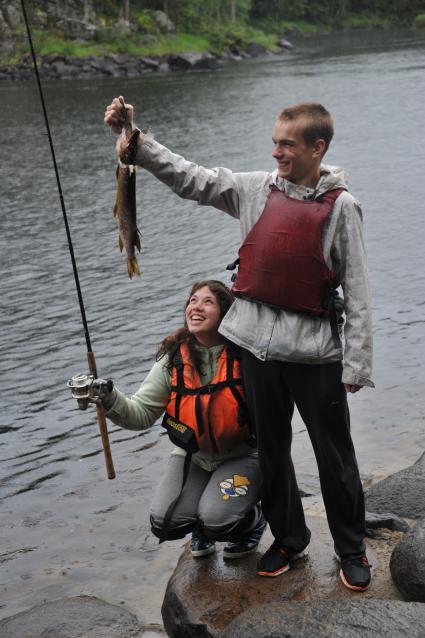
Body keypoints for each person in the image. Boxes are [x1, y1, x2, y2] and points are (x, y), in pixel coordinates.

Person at [104, 98, 374, 591]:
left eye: (287, 145)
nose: (276, 153)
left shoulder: (342, 208)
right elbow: (193, 179)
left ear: (318, 148)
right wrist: (136, 141)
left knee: (334, 456)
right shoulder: (254, 190)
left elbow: (356, 290)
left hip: (315, 355)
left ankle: (351, 548)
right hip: (254, 348)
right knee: (272, 452)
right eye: (274, 142)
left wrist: (355, 364)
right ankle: (289, 539)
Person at [73, 280, 265, 558]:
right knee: (164, 521)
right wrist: (108, 397)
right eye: (192, 300)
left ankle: (253, 520)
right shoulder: (173, 359)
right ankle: (201, 526)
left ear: (225, 313)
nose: (196, 307)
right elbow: (140, 415)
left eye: (208, 302)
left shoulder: (244, 355)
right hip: (194, 456)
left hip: (243, 455)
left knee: (220, 520)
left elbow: (277, 407)